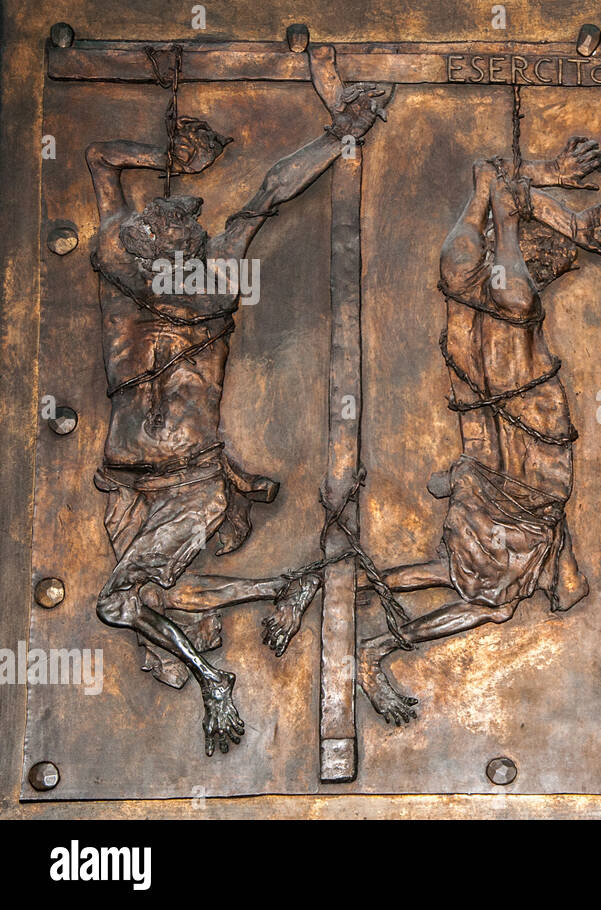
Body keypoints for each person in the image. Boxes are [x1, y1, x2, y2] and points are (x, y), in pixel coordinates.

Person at [86, 64, 392, 755]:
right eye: (166, 217)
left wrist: (337, 133)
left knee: (122, 602)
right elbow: (99, 156)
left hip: (191, 481)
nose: (178, 219)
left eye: (181, 223)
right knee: (153, 601)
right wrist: (166, 157)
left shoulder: (216, 274)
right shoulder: (118, 264)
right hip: (124, 480)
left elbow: (266, 196)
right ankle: (284, 588)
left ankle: (214, 682)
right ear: (147, 239)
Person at [358, 138, 601, 725]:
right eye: (552, 259)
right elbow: (498, 198)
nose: (557, 265)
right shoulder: (509, 306)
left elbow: (487, 172)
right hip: (522, 469)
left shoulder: (470, 302)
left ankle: (357, 588)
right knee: (494, 604)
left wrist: (539, 189)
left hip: (488, 459)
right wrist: (539, 206)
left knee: (458, 573)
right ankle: (375, 650)